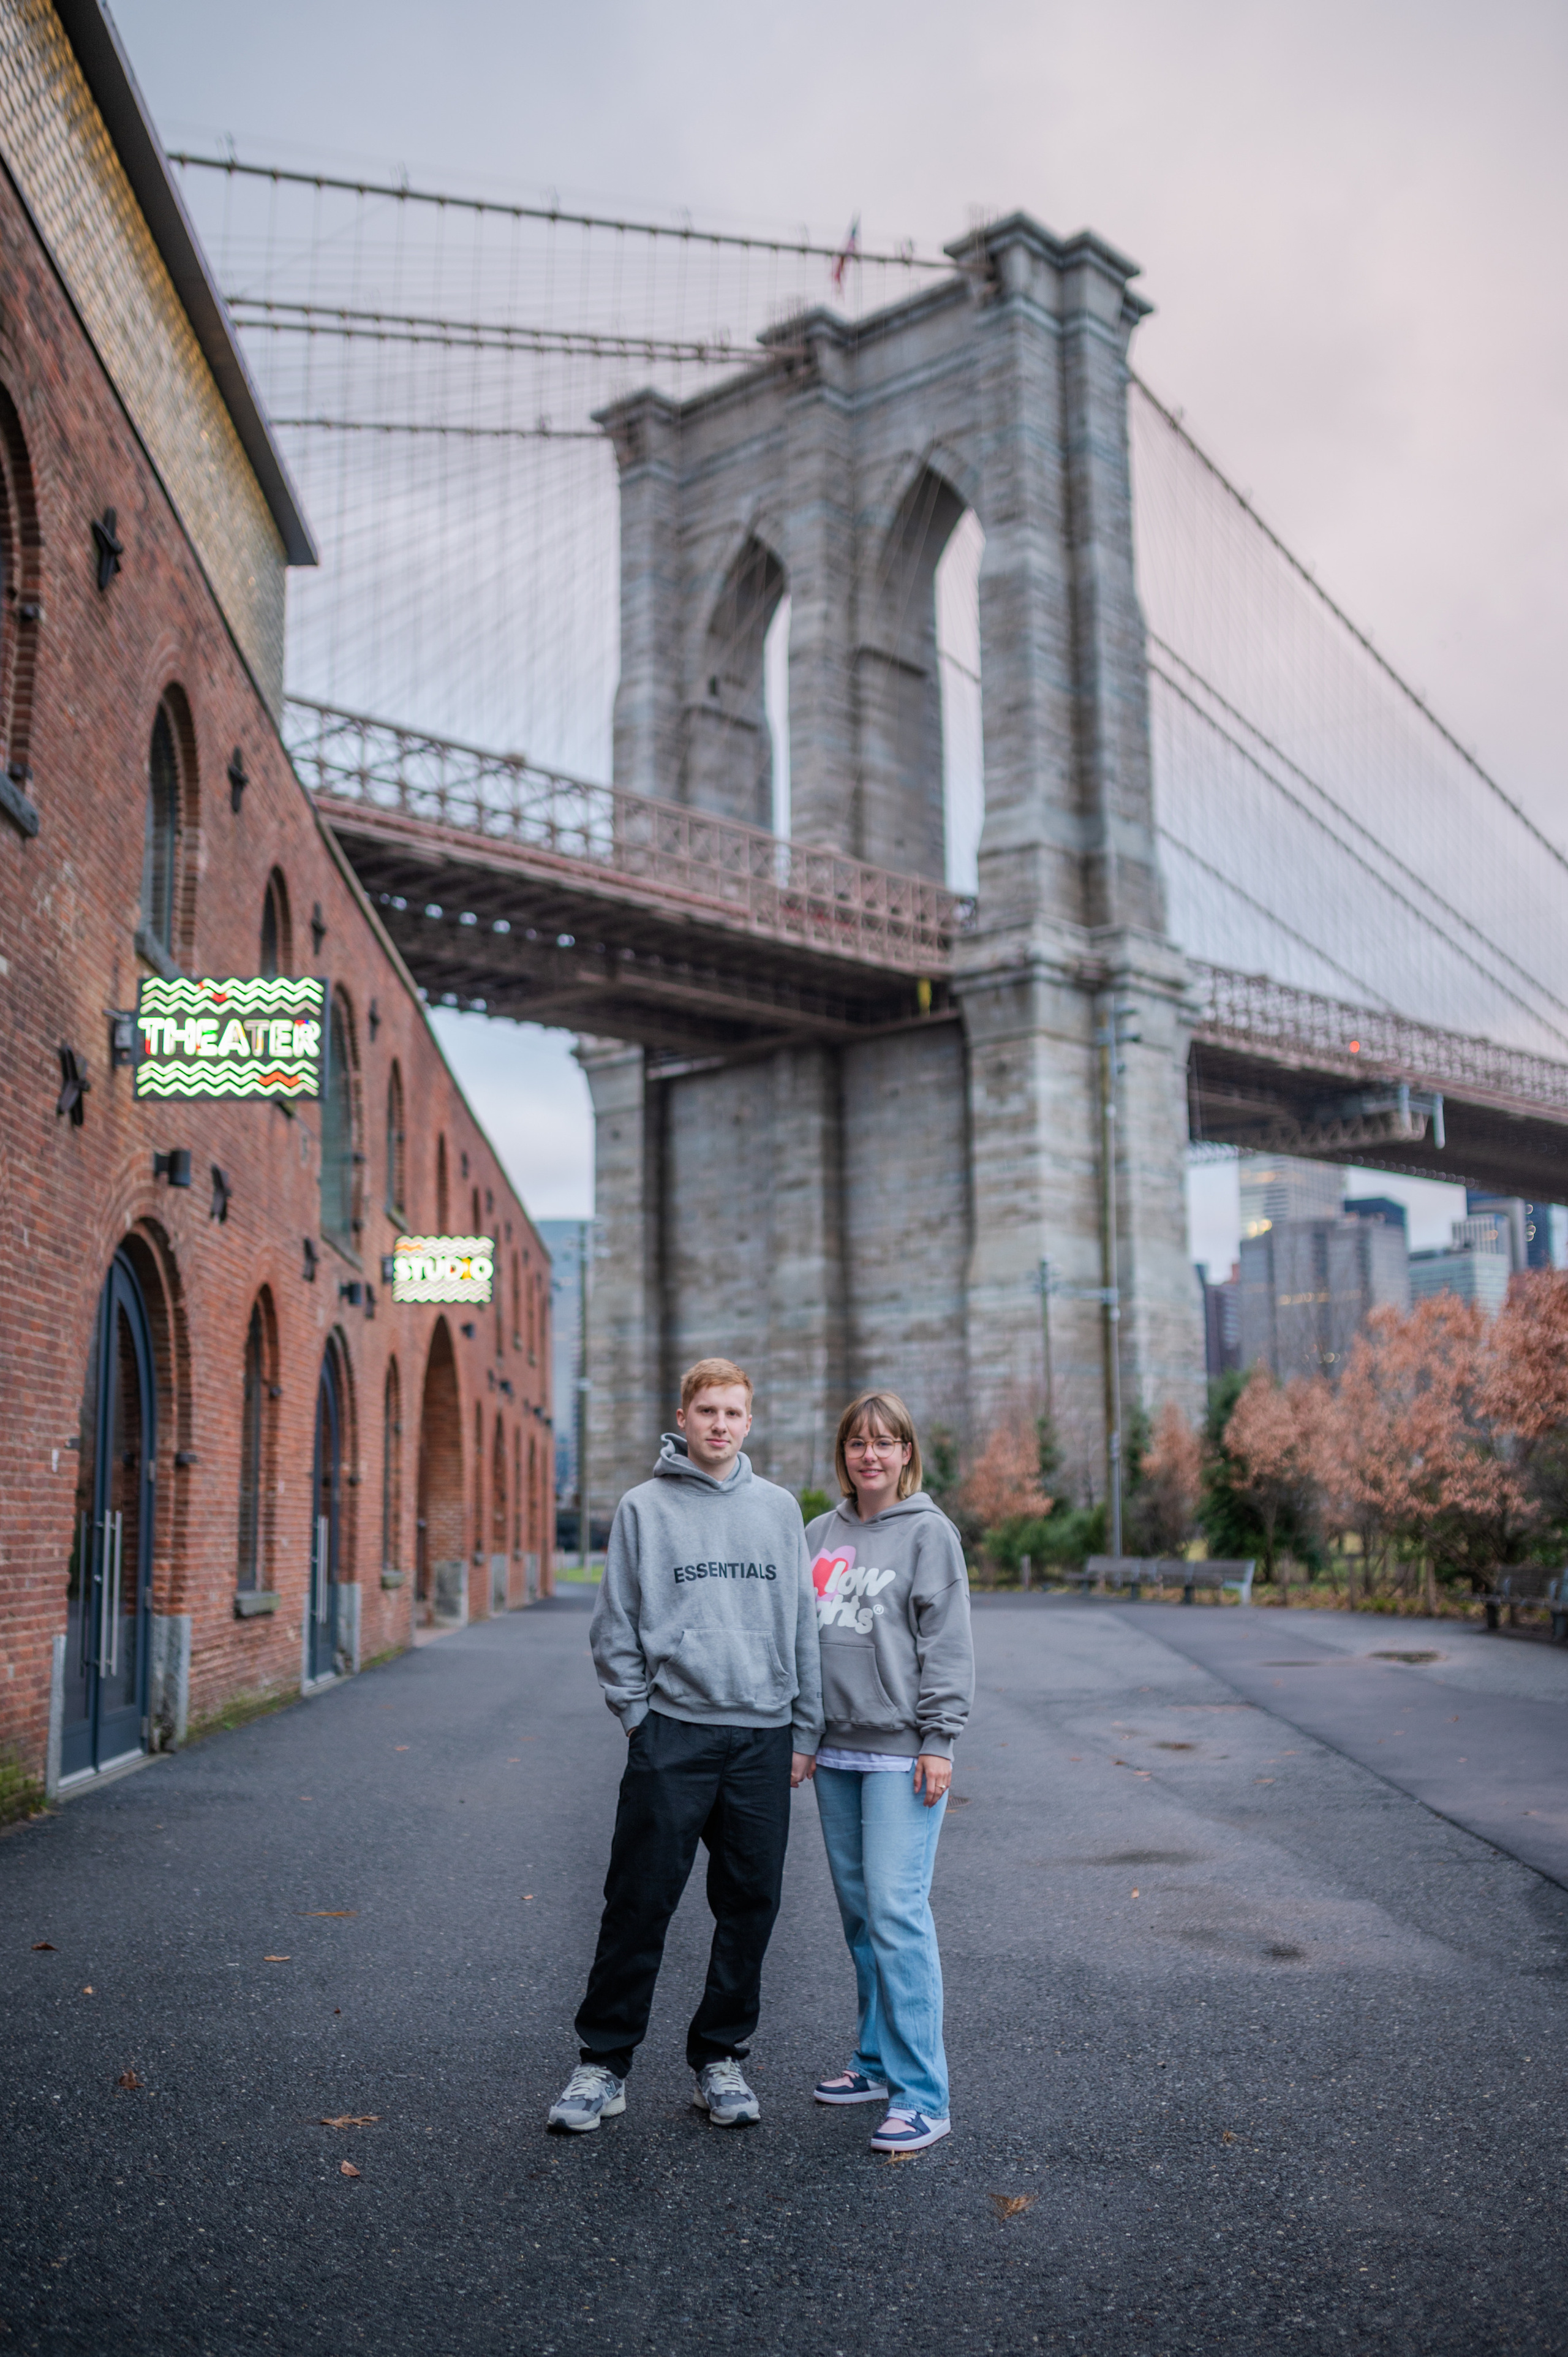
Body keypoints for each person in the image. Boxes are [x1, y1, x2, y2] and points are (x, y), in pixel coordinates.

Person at [548, 1358, 823, 2133]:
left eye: (733, 1412)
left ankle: (720, 2059)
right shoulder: (644, 1507)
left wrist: (805, 1727)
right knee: (638, 1901)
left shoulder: (778, 1509)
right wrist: (638, 1716)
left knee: (749, 1906)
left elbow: (802, 1623)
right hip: (672, 1732)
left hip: (763, 1735)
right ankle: (603, 2064)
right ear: (683, 1417)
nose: (720, 1424)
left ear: (749, 1421)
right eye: (707, 1410)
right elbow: (615, 1621)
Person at [805, 1389, 973, 2152]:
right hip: (835, 1751)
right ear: (843, 1453)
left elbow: (948, 1643)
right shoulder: (818, 1534)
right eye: (856, 1442)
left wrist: (939, 1739)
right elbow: (802, 1642)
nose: (869, 1454)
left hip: (903, 1751)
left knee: (898, 1914)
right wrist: (803, 1734)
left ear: (906, 1453)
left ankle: (923, 2096)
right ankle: (873, 2063)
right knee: (862, 1918)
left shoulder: (929, 1534)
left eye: (884, 1442)